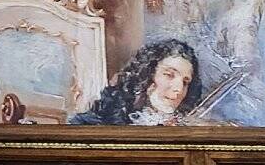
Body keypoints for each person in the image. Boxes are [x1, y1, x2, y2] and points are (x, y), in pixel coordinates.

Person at [70, 39, 203, 125]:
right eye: (169, 75)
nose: (179, 89)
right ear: (147, 74)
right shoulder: (97, 121)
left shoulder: (184, 127)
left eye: (185, 82)